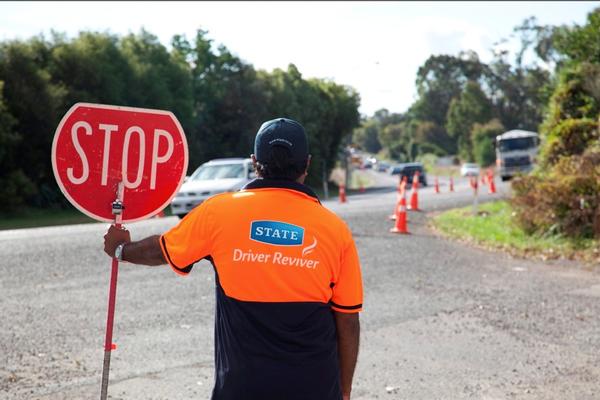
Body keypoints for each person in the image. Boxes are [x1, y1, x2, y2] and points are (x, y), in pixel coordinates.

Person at [103, 117, 363, 400]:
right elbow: (348, 320)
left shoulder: (219, 213)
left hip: (242, 388)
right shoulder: (335, 230)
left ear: (254, 162)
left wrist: (122, 249)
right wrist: (344, 390)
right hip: (315, 387)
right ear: (307, 164)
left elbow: (161, 250)